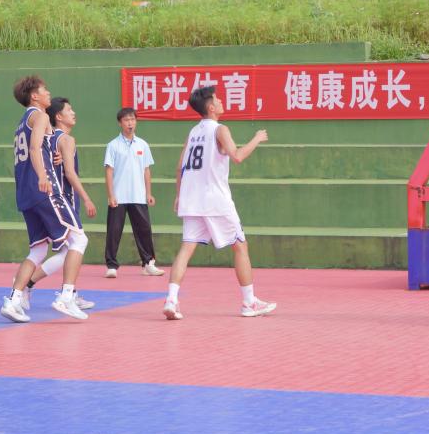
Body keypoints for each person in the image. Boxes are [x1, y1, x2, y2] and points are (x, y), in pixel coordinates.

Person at [163, 86, 276, 320]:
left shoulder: (193, 132)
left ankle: (171, 300)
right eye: (218, 99)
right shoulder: (220, 129)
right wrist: (257, 138)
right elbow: (238, 156)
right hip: (215, 200)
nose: (222, 101)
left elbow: (180, 166)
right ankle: (249, 303)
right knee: (240, 246)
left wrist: (179, 195)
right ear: (211, 107)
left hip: (191, 200)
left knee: (186, 248)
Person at [1, 76, 91, 323]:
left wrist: (54, 155)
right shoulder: (39, 116)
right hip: (44, 189)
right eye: (44, 90)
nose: (48, 93)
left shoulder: (21, 123)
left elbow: (40, 146)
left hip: (25, 194)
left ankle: (13, 300)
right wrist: (43, 175)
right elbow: (34, 149)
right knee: (79, 239)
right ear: (34, 96)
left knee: (38, 250)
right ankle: (67, 296)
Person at [18, 97, 97, 312]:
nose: (74, 113)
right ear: (59, 116)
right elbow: (69, 173)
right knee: (74, 245)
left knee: (64, 251)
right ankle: (45, 289)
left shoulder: (48, 137)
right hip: (61, 199)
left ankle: (66, 292)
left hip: (44, 197)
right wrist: (86, 198)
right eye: (69, 110)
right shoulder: (65, 139)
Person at [104, 108, 164, 278]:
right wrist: (111, 195)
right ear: (120, 123)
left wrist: (148, 193)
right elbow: (109, 171)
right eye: (126, 120)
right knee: (114, 231)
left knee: (144, 230)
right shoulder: (113, 145)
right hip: (119, 196)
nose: (130, 123)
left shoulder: (142, 145)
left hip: (138, 195)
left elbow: (146, 170)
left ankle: (148, 264)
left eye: (132, 119)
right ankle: (111, 266)